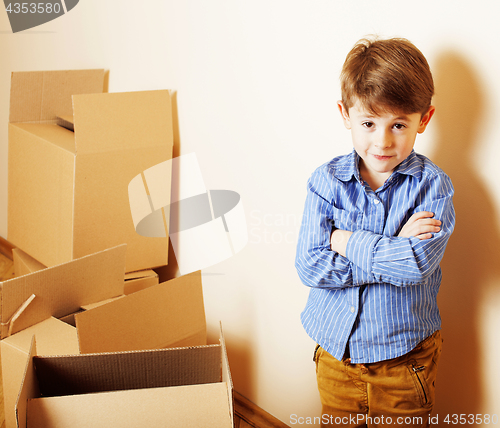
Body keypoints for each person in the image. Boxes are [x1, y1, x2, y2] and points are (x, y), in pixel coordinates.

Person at [295, 37, 455, 427]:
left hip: (403, 363)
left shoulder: (432, 188)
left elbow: (415, 266)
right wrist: (393, 247)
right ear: (345, 114)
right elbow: (310, 266)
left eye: (398, 124)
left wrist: (347, 241)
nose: (382, 141)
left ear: (424, 119)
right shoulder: (326, 183)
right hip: (337, 357)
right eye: (369, 123)